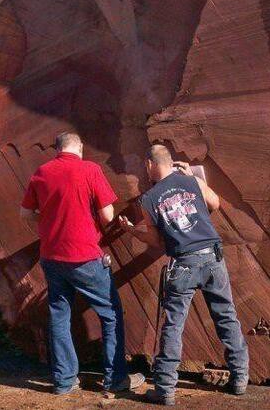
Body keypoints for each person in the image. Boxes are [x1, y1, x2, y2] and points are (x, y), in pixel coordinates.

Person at [118, 144, 248, 406]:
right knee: (226, 317)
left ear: (149, 165)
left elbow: (156, 241)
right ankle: (240, 378)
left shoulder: (149, 198)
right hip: (212, 257)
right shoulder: (192, 181)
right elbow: (215, 203)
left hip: (183, 263)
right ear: (171, 162)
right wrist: (195, 179)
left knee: (174, 325)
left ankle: (165, 389)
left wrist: (132, 230)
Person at [20, 132, 145, 395]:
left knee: (59, 316)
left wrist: (50, 222)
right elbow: (108, 214)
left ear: (57, 149)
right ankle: (116, 379)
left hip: (52, 257)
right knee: (110, 315)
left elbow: (25, 214)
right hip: (85, 256)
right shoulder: (89, 169)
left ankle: (64, 382)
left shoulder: (41, 172)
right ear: (80, 147)